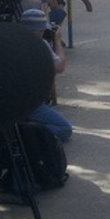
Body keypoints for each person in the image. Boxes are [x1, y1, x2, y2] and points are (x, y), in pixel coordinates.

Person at [20, 9, 72, 142]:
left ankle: (24, 126)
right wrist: (58, 41)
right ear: (39, 31)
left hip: (14, 100)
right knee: (64, 128)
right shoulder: (39, 44)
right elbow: (60, 67)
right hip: (31, 102)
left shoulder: (13, 41)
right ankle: (25, 134)